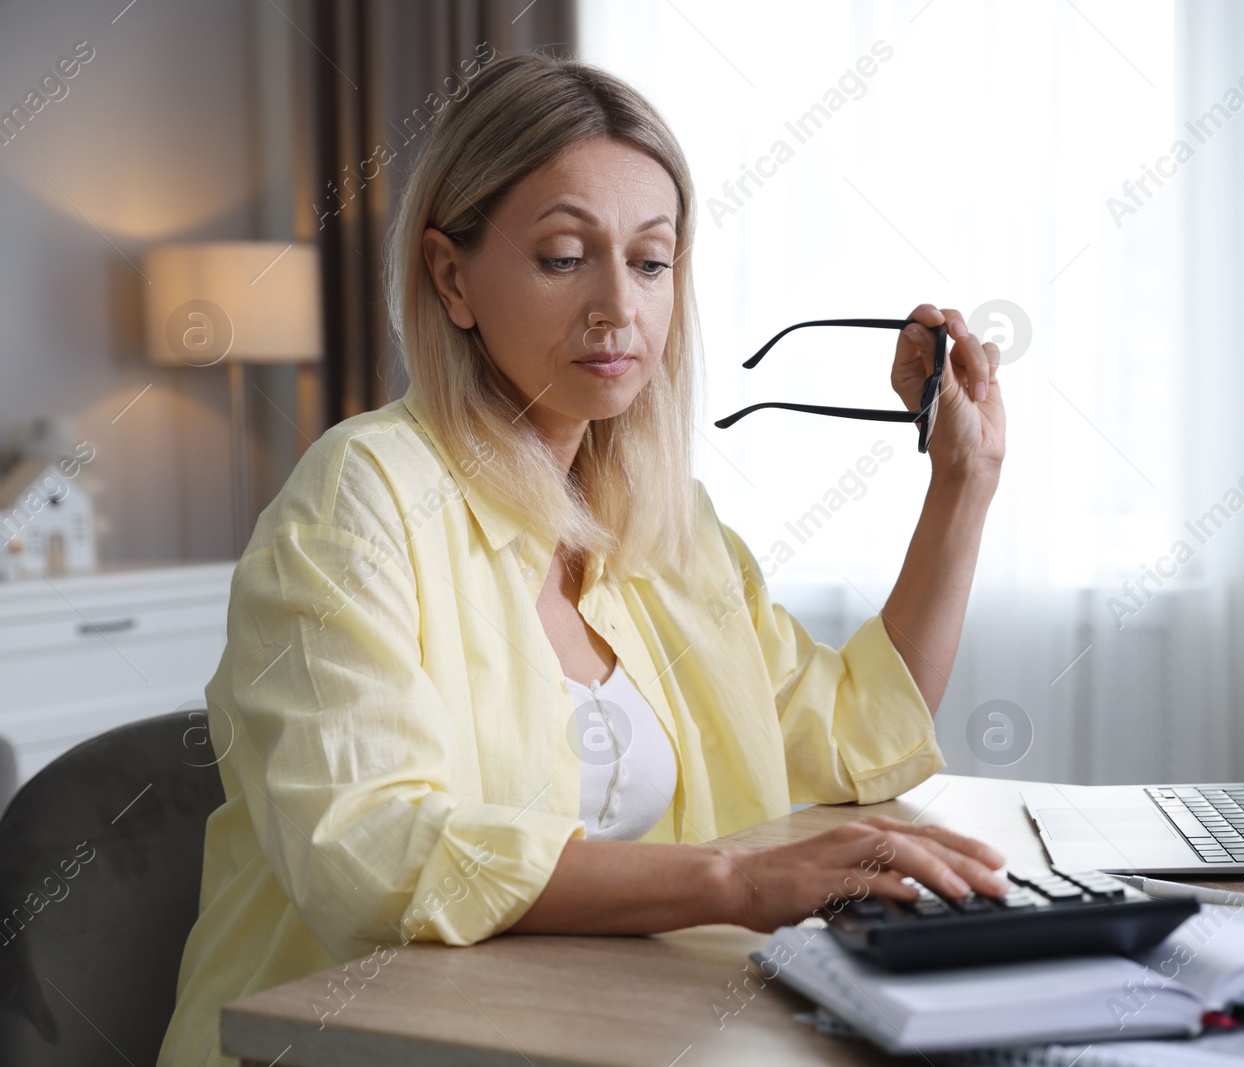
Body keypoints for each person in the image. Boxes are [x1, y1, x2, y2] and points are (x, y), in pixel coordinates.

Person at [158, 52, 1006, 1066]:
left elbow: (850, 741)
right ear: (450, 275)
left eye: (650, 262)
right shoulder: (362, 496)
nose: (619, 305)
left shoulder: (667, 525)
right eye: (565, 256)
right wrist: (730, 884)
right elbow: (370, 850)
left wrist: (963, 481)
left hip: (591, 1029)